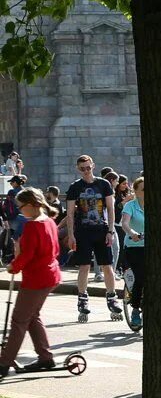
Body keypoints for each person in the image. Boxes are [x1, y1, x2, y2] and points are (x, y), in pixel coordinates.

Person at [2, 188, 61, 375]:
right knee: (32, 316)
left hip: (36, 279)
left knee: (19, 319)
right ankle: (45, 357)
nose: (20, 211)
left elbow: (28, 254)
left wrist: (14, 266)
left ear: (32, 205)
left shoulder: (33, 225)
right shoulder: (50, 221)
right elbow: (56, 250)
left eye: (21, 207)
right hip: (50, 275)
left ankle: (4, 362)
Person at [64, 155, 120, 321]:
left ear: (93, 166)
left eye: (88, 168)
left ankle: (111, 297)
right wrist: (71, 235)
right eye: (82, 169)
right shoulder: (75, 187)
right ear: (78, 169)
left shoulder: (104, 184)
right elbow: (70, 213)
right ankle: (82, 299)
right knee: (84, 266)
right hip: (83, 232)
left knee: (107, 266)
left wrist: (111, 231)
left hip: (101, 229)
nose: (86, 171)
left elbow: (110, 209)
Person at [118, 177, 147, 330]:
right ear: (135, 191)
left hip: (151, 247)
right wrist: (132, 233)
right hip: (134, 247)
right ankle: (135, 310)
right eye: (143, 190)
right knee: (141, 277)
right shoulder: (130, 206)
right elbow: (125, 223)